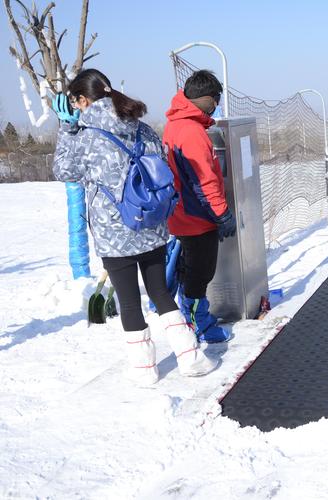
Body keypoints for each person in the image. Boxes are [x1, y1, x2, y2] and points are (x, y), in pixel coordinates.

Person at [53, 69, 216, 386]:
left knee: (129, 301)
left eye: (76, 103)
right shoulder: (141, 128)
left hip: (115, 235)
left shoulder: (85, 138)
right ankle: (192, 358)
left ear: (83, 100)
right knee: (162, 294)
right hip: (152, 224)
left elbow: (63, 171)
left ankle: (144, 371)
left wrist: (66, 129)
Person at [163, 70, 235, 344]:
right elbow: (204, 180)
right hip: (197, 217)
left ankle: (192, 319)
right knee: (200, 273)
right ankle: (200, 325)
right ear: (205, 98)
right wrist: (221, 215)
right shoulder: (192, 132)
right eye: (215, 99)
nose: (216, 104)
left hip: (182, 213)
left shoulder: (175, 124)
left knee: (190, 269)